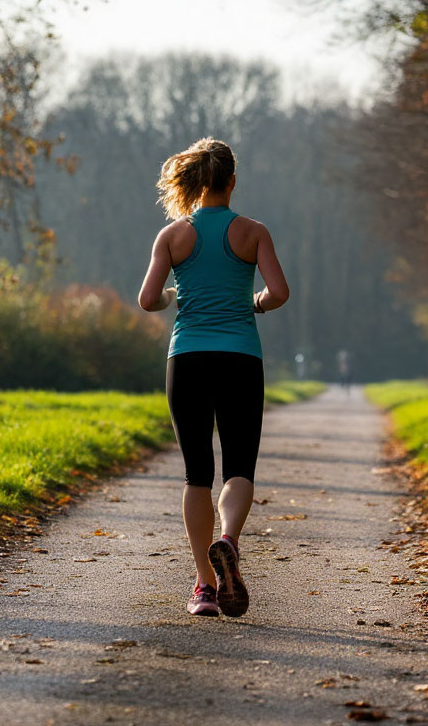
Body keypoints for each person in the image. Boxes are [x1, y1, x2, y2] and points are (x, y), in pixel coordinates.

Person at [137, 137, 289, 618]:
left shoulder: (173, 236)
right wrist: (255, 303)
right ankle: (228, 541)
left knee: (196, 472)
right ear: (232, 181)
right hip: (241, 358)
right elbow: (279, 292)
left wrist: (173, 298)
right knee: (239, 466)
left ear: (195, 181)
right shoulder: (254, 232)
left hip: (188, 360)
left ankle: (204, 586)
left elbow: (148, 299)